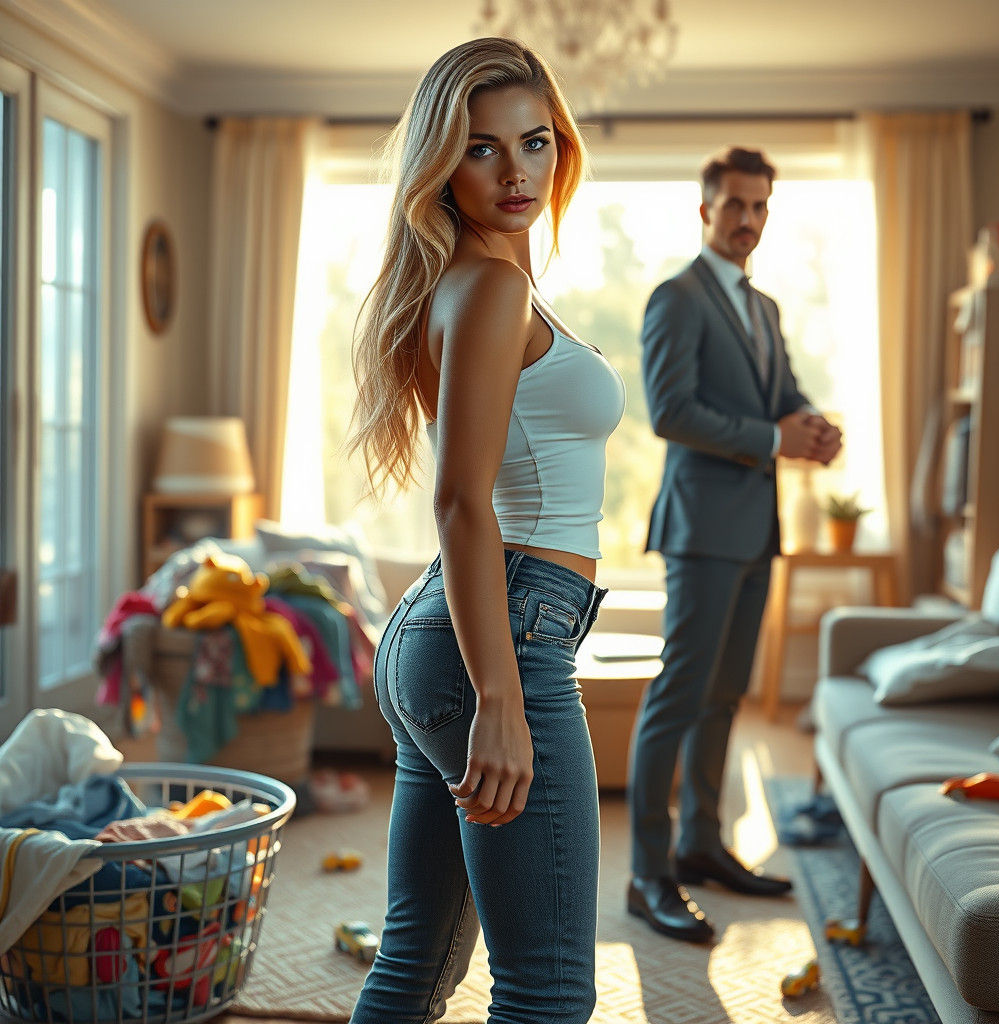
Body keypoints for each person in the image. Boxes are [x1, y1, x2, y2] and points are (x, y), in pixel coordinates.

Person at [346, 38, 625, 1024]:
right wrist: (500, 697)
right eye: (481, 149)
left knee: (414, 965)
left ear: (560, 149)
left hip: (447, 631)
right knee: (546, 991)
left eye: (535, 143)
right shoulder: (492, 286)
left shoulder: (471, 278)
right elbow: (462, 499)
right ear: (440, 163)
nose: (516, 173)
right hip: (500, 636)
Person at [627, 146, 843, 942]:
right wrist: (773, 436)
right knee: (679, 694)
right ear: (706, 211)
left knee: (725, 696)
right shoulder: (675, 299)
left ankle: (700, 845)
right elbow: (669, 412)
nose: (748, 220)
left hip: (757, 528)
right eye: (735, 206)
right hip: (701, 529)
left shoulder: (765, 307)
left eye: (760, 208)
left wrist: (813, 427)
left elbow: (781, 397)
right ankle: (648, 875)